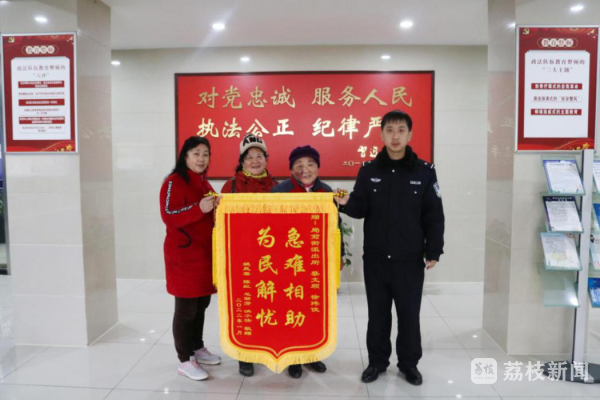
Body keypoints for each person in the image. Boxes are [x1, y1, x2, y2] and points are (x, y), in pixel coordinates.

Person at [335, 110, 445, 385]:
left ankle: (409, 364)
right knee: (378, 314)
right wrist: (346, 202)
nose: (395, 136)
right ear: (381, 134)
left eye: (401, 130)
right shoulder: (369, 170)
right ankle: (377, 362)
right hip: (376, 259)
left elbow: (434, 214)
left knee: (409, 315)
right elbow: (360, 208)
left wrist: (433, 250)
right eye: (390, 130)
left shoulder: (424, 171)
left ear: (409, 134)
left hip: (409, 259)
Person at [271, 145, 341, 379]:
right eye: (299, 165)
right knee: (291, 309)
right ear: (291, 169)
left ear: (317, 167)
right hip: (288, 263)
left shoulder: (326, 191)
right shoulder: (279, 191)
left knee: (314, 309)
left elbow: (336, 226)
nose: (305, 169)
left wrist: (339, 255)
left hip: (316, 262)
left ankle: (311, 354)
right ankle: (293, 357)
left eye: (310, 164)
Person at [159, 136, 221, 381]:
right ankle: (184, 359)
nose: (201, 159)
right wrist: (199, 208)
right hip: (183, 257)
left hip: (204, 255)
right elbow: (169, 215)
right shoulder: (173, 181)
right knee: (186, 309)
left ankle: (197, 346)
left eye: (205, 154)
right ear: (185, 156)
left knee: (201, 304)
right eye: (196, 153)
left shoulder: (203, 182)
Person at [221, 133, 277, 377]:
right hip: (241, 256)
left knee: (268, 302)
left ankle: (265, 346)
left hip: (270, 257)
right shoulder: (230, 187)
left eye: (259, 156)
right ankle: (244, 355)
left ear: (266, 159)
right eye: (249, 157)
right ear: (242, 162)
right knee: (243, 305)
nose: (255, 161)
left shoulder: (278, 187)